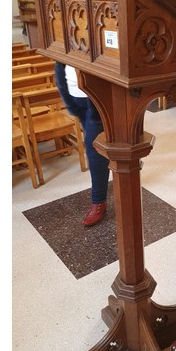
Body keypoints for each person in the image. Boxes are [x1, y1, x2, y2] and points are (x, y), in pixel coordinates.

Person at [54, 62, 110, 227]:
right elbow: (60, 66)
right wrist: (69, 103)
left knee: (94, 151)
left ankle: (99, 202)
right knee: (99, 146)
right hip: (77, 100)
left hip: (95, 99)